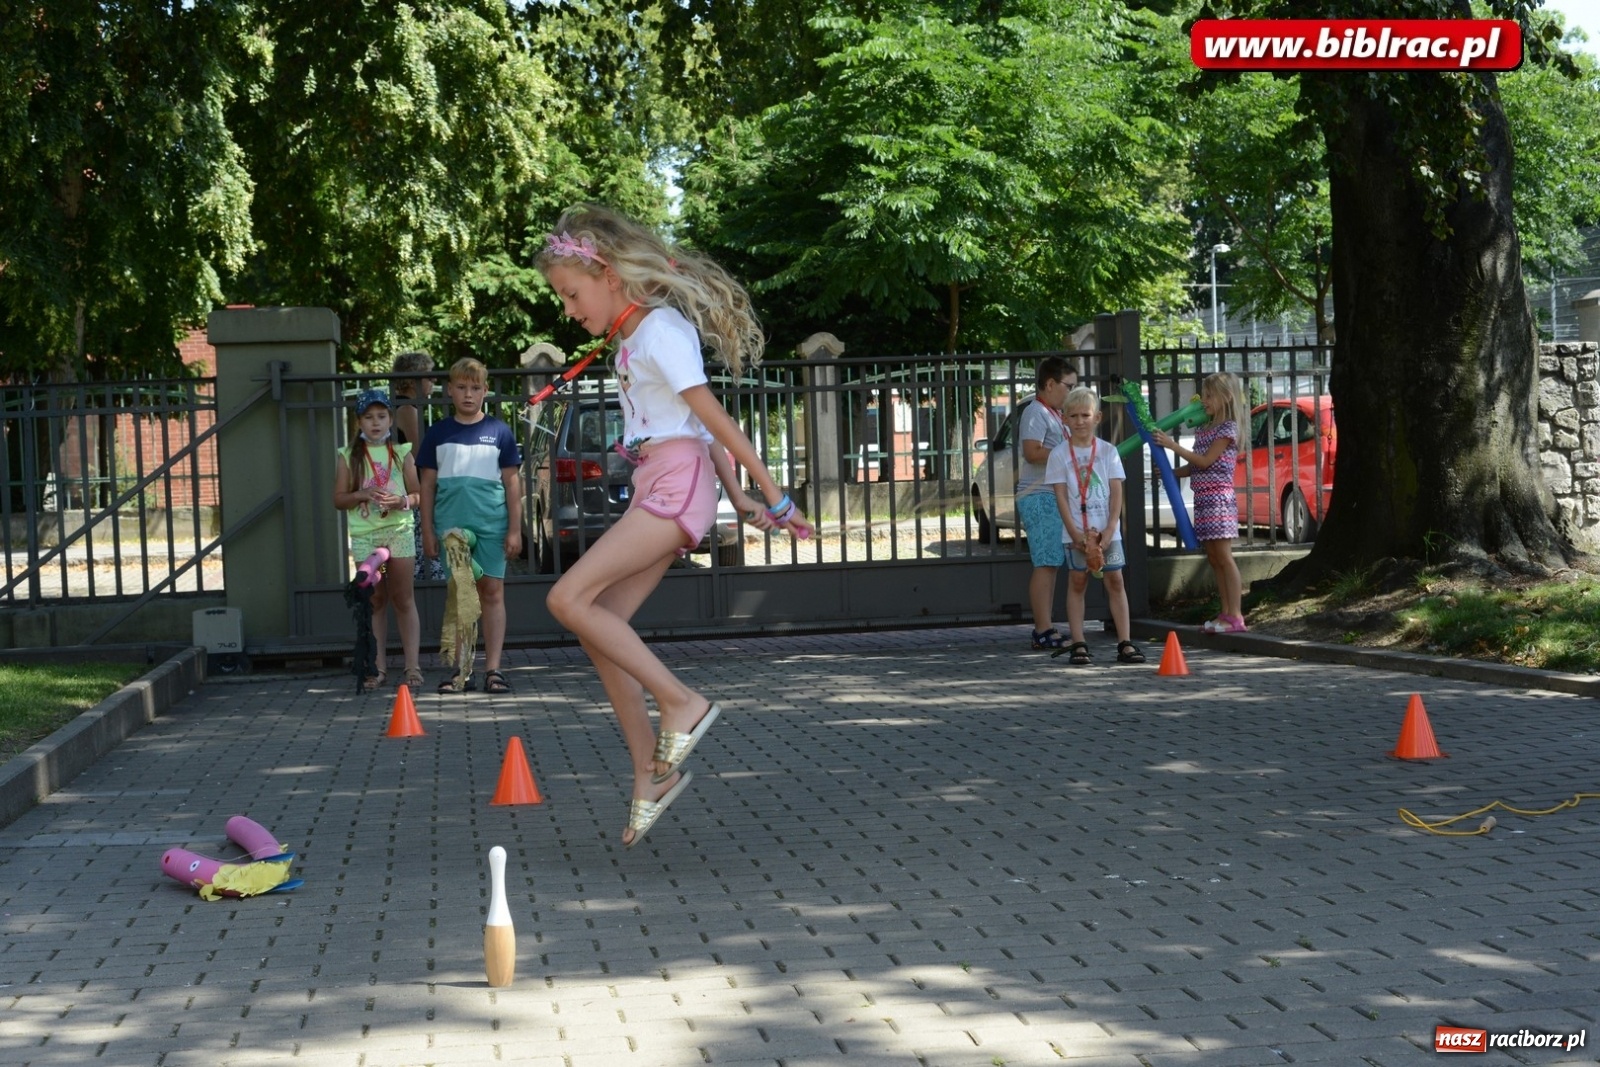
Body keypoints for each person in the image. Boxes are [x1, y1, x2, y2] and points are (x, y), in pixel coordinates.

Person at [535, 203, 808, 850]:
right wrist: (739, 498)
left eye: (572, 294)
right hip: (665, 481)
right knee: (600, 624)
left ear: (607, 273)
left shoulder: (658, 331)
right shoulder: (636, 337)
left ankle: (681, 700)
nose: (569, 310)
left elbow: (715, 421)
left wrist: (773, 494)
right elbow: (688, 427)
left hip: (673, 485)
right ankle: (647, 775)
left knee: (566, 597)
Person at [416, 357, 523, 693]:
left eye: (475, 388)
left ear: (485, 391)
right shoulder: (437, 433)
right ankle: (461, 671)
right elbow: (428, 486)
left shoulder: (499, 432)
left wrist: (515, 529)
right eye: (461, 387)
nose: (468, 394)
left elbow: (512, 484)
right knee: (462, 593)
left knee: (492, 592)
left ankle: (493, 670)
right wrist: (428, 531)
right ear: (449, 390)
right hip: (452, 526)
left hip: (492, 523)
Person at [1045, 385, 1144, 665]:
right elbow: (1061, 497)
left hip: (1106, 531)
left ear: (1097, 417)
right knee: (1077, 582)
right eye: (1073, 416)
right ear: (1064, 419)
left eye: (1085, 415)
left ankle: (1125, 642)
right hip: (1075, 531)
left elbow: (1116, 492)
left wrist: (1111, 529)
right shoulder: (1059, 455)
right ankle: (1079, 643)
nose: (1079, 421)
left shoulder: (1108, 452)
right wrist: (1075, 534)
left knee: (1115, 580)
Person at [332, 389, 423, 690]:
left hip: (398, 533)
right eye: (368, 417)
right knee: (375, 599)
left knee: (403, 598)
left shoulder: (402, 453)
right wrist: (362, 494)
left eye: (381, 416)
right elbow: (339, 499)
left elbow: (419, 494)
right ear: (359, 422)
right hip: (366, 537)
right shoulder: (348, 456)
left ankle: (412, 667)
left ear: (390, 420)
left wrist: (401, 501)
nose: (375, 423)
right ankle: (377, 667)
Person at [1154, 372, 1246, 632]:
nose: (1203, 401)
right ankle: (1226, 613)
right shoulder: (1206, 428)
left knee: (1224, 557)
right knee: (1215, 558)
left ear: (1226, 397)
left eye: (1209, 396)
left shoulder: (1227, 429)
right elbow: (1197, 466)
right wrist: (1173, 472)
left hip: (1219, 499)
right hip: (1204, 499)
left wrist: (1172, 446)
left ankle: (1236, 615)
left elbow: (1206, 461)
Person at [1015, 356, 1078, 650]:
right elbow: (1032, 452)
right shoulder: (1036, 412)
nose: (1072, 393)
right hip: (1039, 497)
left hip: (1050, 496)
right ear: (1050, 384)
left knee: (1051, 562)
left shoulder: (1052, 413)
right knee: (1046, 563)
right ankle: (1042, 629)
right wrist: (1068, 453)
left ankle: (1047, 626)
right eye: (1069, 386)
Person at [391, 350, 445, 582]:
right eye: (428, 376)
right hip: (411, 491)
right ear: (412, 379)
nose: (433, 381)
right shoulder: (407, 410)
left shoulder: (401, 406)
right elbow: (421, 455)